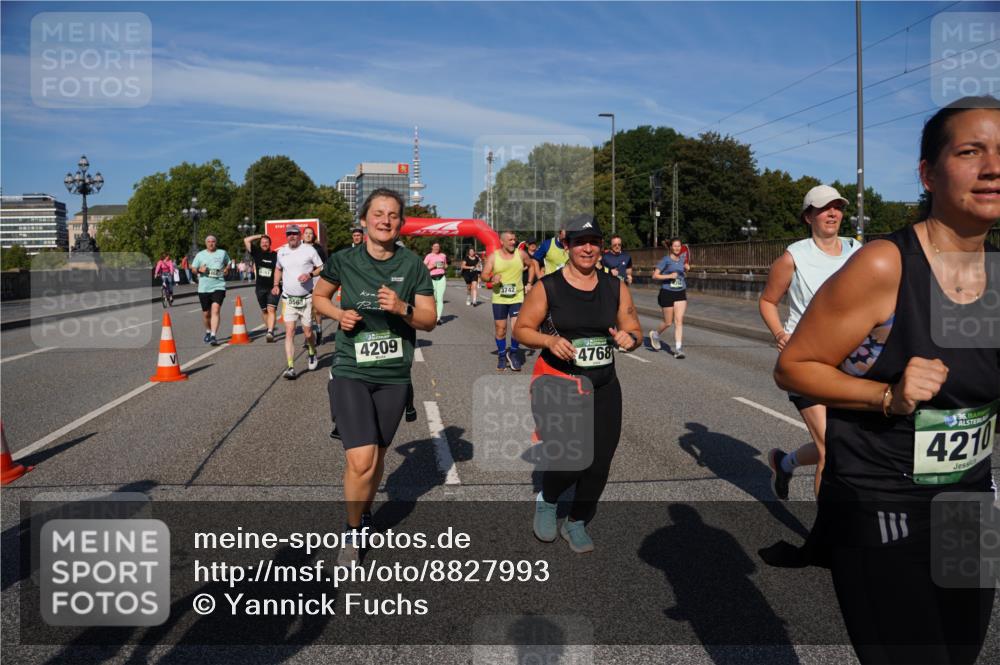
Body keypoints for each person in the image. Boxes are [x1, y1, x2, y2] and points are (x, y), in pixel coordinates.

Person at [774, 95, 999, 665]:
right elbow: (794, 366)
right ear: (927, 172)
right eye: (971, 152)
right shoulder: (884, 265)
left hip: (969, 508)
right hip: (884, 502)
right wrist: (887, 395)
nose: (993, 167)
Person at [313, 188, 436, 564]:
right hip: (351, 368)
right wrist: (338, 315)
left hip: (394, 375)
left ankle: (364, 511)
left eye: (393, 215)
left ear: (401, 223)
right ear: (364, 220)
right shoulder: (343, 261)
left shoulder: (412, 265)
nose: (386, 220)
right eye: (378, 214)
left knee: (378, 452)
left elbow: (429, 319)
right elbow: (319, 298)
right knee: (361, 459)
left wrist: (403, 307)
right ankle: (352, 532)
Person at [514, 213, 642, 553]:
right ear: (566, 243)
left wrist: (630, 339)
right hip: (560, 383)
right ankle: (549, 498)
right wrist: (548, 342)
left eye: (593, 242)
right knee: (573, 459)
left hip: (603, 385)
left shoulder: (615, 287)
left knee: (600, 461)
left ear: (601, 246)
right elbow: (522, 329)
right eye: (579, 242)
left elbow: (635, 330)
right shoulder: (548, 286)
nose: (587, 248)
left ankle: (577, 521)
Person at [759, 185, 861, 500]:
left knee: (846, 443)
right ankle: (825, 539)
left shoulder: (858, 251)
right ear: (808, 216)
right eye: (823, 208)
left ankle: (785, 463)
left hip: (851, 359)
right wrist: (779, 334)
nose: (832, 213)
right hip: (805, 360)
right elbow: (767, 301)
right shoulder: (794, 257)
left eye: (837, 207)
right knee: (831, 450)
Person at [272, 225, 324, 379]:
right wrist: (275, 285)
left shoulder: (309, 250)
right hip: (288, 299)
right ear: (286, 236)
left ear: (299, 235)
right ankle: (290, 366)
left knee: (308, 332)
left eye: (295, 234)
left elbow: (321, 267)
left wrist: (310, 274)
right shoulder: (282, 251)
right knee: (290, 332)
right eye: (289, 234)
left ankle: (312, 352)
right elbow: (278, 269)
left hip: (306, 298)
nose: (292, 236)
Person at [481, 229, 537, 371]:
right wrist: (492, 278)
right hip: (500, 298)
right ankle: (501, 355)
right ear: (502, 241)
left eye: (514, 239)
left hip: (517, 296)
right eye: (510, 240)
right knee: (501, 329)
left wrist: (529, 283)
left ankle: (513, 353)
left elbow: (532, 265)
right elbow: (484, 275)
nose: (514, 242)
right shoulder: (494, 257)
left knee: (517, 328)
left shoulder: (521, 254)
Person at [649, 238, 690, 358]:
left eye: (679, 246)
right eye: (675, 246)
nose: (677, 248)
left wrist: (687, 267)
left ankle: (678, 349)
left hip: (680, 292)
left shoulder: (682, 259)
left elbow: (685, 269)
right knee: (668, 322)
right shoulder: (665, 260)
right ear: (671, 247)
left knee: (679, 321)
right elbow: (655, 276)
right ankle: (655, 334)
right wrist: (670, 275)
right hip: (667, 292)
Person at [191, 235, 231, 346]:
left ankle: (213, 335)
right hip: (204, 288)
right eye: (208, 242)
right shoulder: (200, 255)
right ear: (205, 243)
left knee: (216, 309)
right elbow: (193, 268)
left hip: (219, 285)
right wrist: (199, 269)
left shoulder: (222, 253)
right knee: (206, 314)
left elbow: (229, 262)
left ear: (216, 243)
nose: (211, 243)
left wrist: (227, 269)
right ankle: (208, 331)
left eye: (213, 241)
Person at [243, 232, 280, 342]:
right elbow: (246, 240)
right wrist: (260, 236)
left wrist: (277, 284)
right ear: (260, 244)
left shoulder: (276, 255)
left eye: (266, 242)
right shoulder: (256, 252)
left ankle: (270, 332)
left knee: (271, 309)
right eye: (262, 242)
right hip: (260, 287)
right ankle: (269, 328)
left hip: (273, 287)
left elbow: (281, 269)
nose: (264, 244)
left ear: (270, 244)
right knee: (264, 311)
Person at [302, 226, 329, 346]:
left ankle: (318, 331)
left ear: (313, 236)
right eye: (306, 233)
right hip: (303, 282)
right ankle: (308, 336)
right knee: (305, 310)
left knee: (316, 309)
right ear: (302, 235)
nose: (308, 235)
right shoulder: (298, 248)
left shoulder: (318, 248)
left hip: (316, 279)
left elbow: (323, 266)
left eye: (310, 233)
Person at [423, 242, 449, 324]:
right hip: (432, 278)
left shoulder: (443, 255)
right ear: (432, 247)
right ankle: (432, 315)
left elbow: (446, 266)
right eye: (435, 246)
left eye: (438, 246)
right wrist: (432, 266)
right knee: (433, 299)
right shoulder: (429, 256)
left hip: (441, 278)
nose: (436, 248)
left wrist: (444, 266)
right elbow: (423, 268)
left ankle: (438, 318)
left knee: (440, 299)